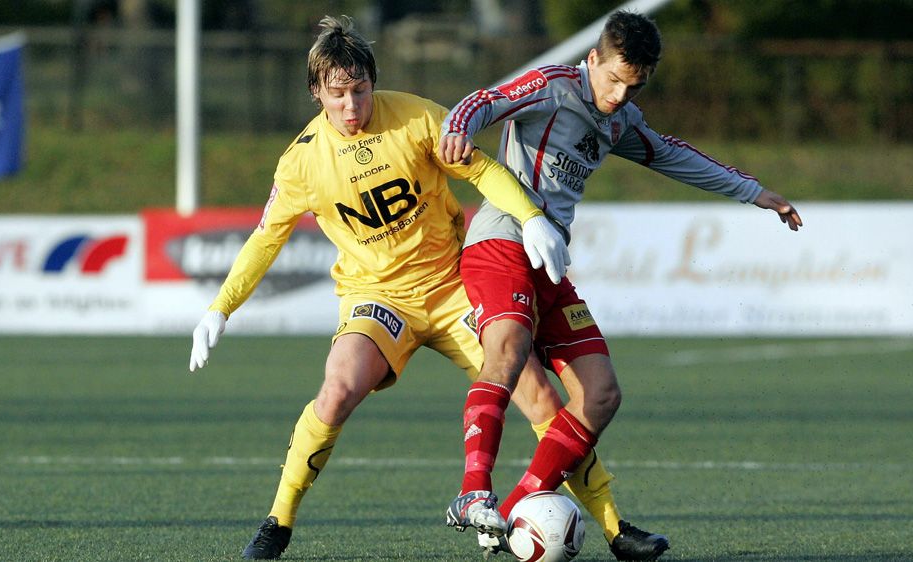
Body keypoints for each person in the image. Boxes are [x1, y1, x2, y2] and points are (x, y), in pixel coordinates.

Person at [187, 15, 660, 561]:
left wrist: (531, 218)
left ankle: (613, 527)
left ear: (373, 81)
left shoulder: (415, 117)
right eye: (338, 94)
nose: (351, 106)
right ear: (316, 92)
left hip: (452, 283)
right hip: (377, 297)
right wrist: (220, 308)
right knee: (337, 389)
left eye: (360, 90)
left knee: (540, 397)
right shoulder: (301, 162)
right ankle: (278, 521)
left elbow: (483, 170)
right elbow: (266, 238)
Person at [439, 9, 803, 561]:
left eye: (633, 87)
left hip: (551, 265)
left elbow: (673, 155)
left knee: (601, 394)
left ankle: (512, 512)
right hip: (501, 244)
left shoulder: (620, 120)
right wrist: (458, 128)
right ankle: (473, 493)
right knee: (508, 351)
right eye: (612, 80)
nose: (617, 96)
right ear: (593, 59)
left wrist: (752, 192)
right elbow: (485, 100)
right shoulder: (552, 86)